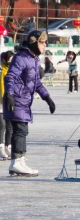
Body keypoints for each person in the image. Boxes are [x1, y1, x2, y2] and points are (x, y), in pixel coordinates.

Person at [2, 30, 56, 176]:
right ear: (34, 43)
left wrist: (47, 98)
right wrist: (9, 94)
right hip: (17, 99)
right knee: (20, 130)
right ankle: (17, 163)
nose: (45, 45)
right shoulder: (21, 57)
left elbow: (37, 82)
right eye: (43, 42)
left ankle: (18, 161)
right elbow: (10, 77)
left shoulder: (34, 59)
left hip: (24, 101)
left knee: (21, 129)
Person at [0, 51, 11, 160]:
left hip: (10, 101)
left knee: (10, 126)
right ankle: (1, 148)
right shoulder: (1, 70)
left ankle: (9, 147)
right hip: (1, 102)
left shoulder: (12, 70)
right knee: (2, 126)